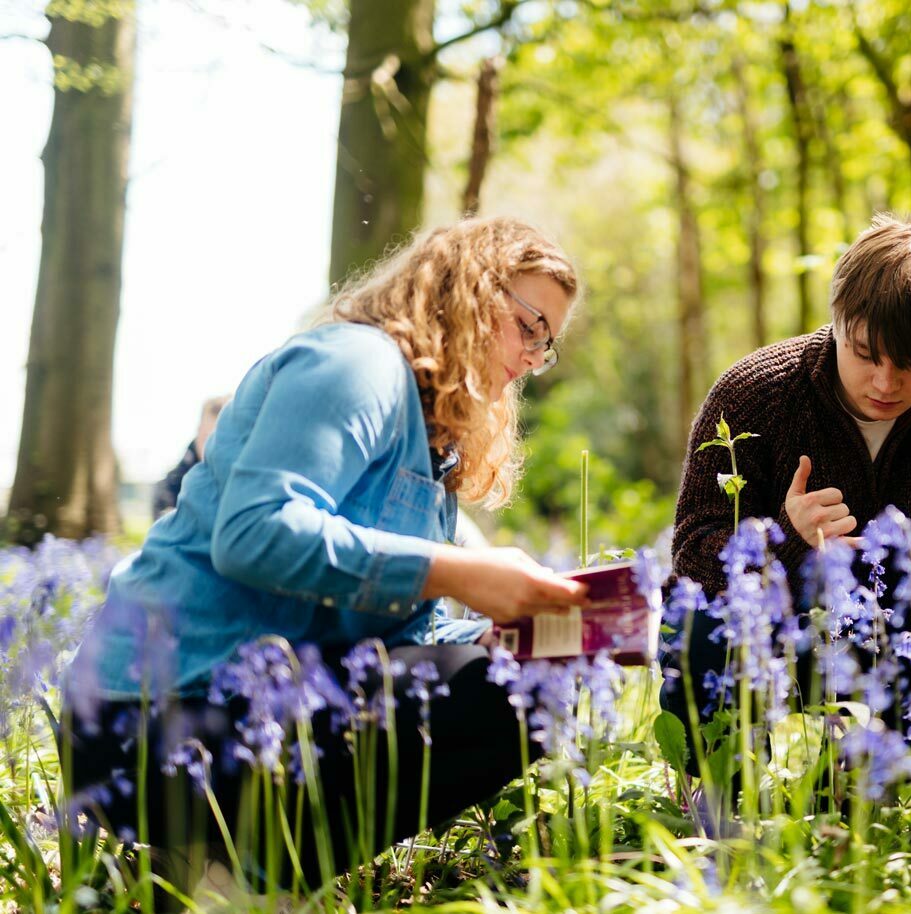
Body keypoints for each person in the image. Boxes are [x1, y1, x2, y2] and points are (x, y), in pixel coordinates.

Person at [64, 218, 590, 893]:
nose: (532, 358)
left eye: (547, 345)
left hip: (256, 709)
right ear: (471, 291)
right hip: (146, 720)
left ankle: (237, 868)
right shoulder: (357, 364)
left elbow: (402, 643)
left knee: (528, 677)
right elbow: (256, 532)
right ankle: (235, 874)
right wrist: (458, 571)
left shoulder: (432, 442)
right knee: (505, 689)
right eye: (529, 324)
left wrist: (497, 631)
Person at [663, 213, 911, 759]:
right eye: (864, 354)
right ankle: (729, 807)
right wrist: (787, 541)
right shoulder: (752, 393)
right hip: (777, 631)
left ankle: (868, 782)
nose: (885, 383)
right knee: (692, 631)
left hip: (901, 632)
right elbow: (693, 552)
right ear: (836, 319)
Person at [151, 395, 230, 518]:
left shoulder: (243, 482)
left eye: (220, 440)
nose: (211, 448)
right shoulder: (171, 487)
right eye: (207, 437)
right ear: (198, 432)